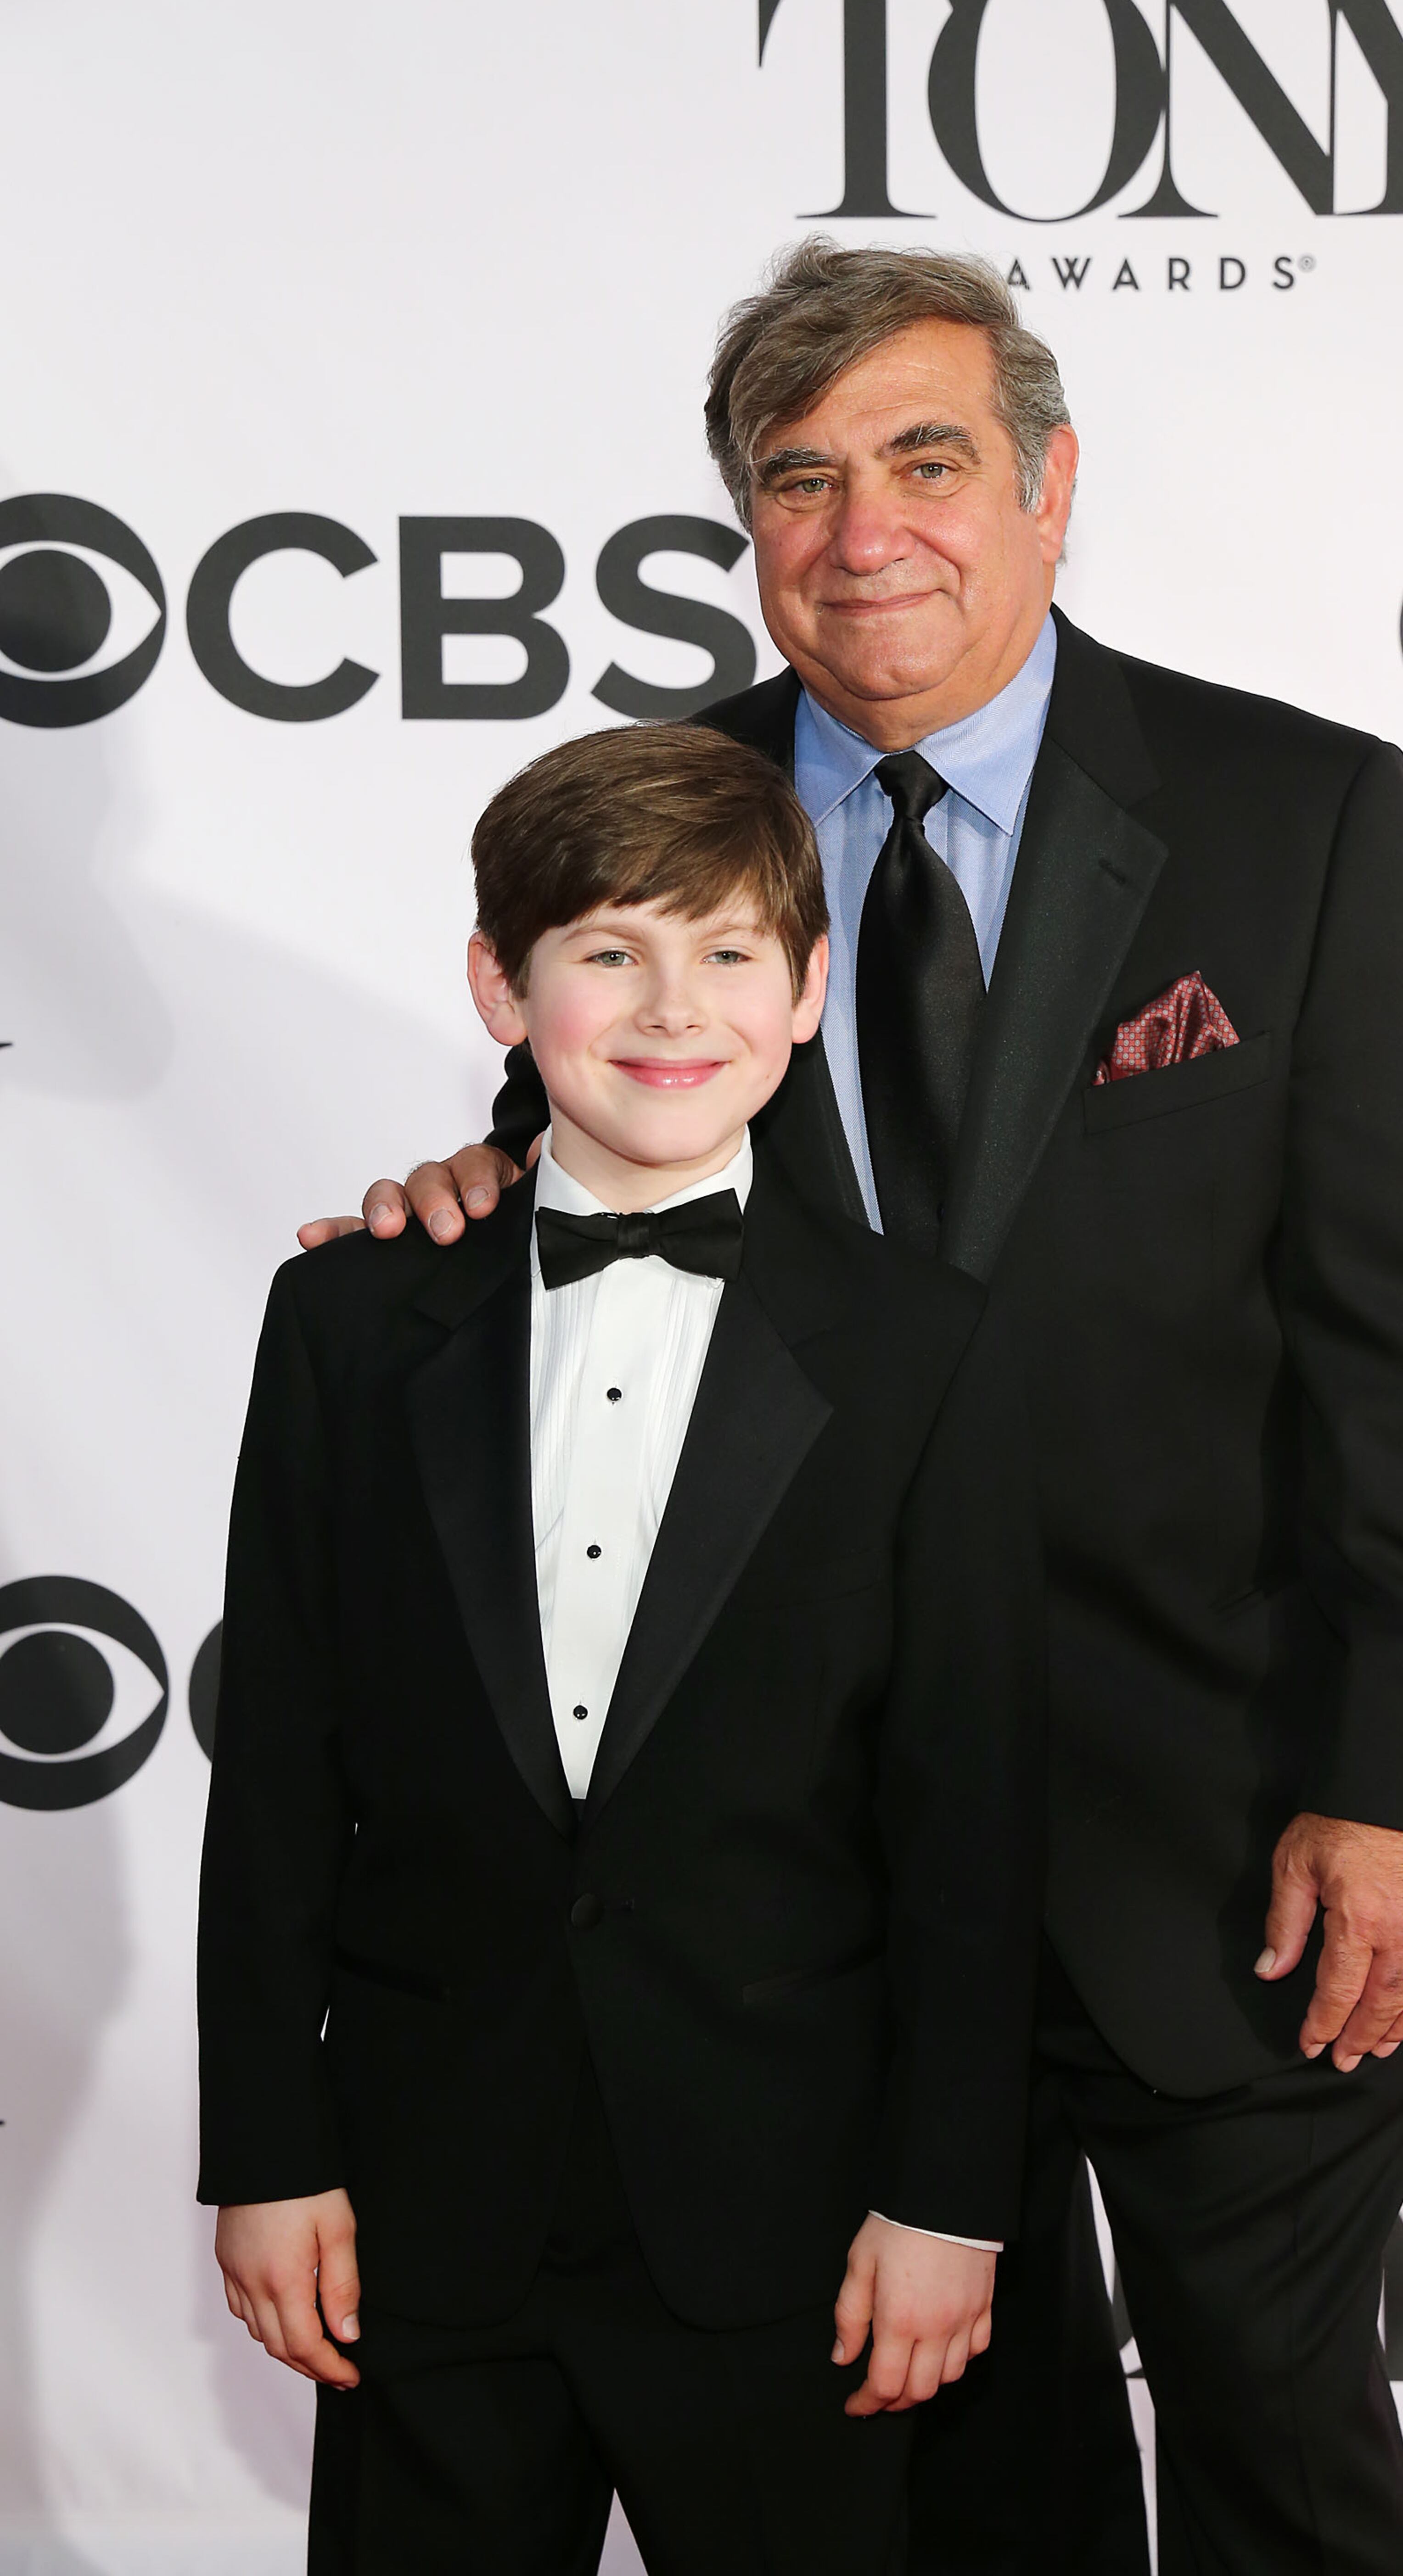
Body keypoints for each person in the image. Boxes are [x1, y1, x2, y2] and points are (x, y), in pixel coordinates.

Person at [305, 242, 1403, 2575]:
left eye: (929, 460)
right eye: (803, 479)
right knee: (965, 2494)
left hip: (1230, 1831)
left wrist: (1395, 1781)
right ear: (749, 528)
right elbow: (609, 1157)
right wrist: (477, 1182)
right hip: (823, 1878)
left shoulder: (1302, 816)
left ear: (1051, 489)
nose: (870, 533)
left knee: (1282, 2454)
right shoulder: (667, 820)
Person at [198, 721, 1046, 2576]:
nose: (675, 1008)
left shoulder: (922, 1344)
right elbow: (276, 1769)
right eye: (609, 951)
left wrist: (950, 2203)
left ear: (810, 989)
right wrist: (264, 2146)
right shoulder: (349, 1321)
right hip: (431, 2207)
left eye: (731, 952)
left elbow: (969, 1815)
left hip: (792, 2223)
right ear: (502, 986)